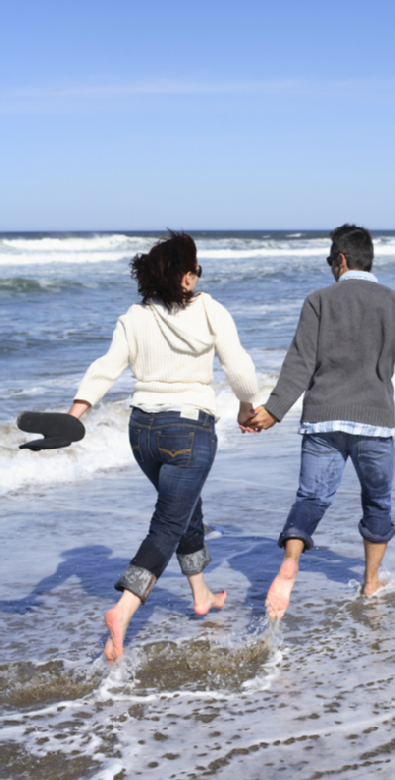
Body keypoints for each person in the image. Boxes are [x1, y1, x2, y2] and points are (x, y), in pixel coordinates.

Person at [68, 231, 260, 663]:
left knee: (185, 510)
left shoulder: (135, 316)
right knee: (168, 524)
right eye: (196, 269)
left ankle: (202, 595)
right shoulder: (209, 309)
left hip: (142, 433)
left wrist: (73, 415)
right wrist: (248, 405)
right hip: (189, 431)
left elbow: (105, 369)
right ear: (187, 277)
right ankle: (124, 609)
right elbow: (241, 369)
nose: (198, 276)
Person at [247, 224, 395, 619]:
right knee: (377, 501)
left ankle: (290, 565)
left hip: (322, 421)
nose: (329, 268)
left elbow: (300, 363)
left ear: (341, 260)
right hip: (375, 425)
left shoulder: (318, 301)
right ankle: (371, 583)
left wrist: (274, 411)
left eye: (330, 260)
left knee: (310, 498)